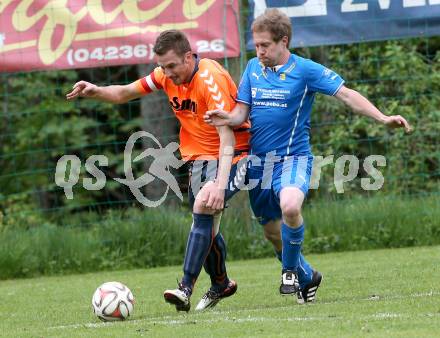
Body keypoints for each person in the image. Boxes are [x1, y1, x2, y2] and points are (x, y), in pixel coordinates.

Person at [204, 9, 412, 303]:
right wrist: (227, 116)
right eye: (257, 44)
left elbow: (347, 94)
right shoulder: (252, 68)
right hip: (259, 166)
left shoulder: (306, 70)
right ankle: (307, 276)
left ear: (283, 41)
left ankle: (288, 272)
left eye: (265, 45)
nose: (259, 50)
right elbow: (241, 113)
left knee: (290, 206)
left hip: (294, 160)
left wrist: (382, 117)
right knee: (272, 234)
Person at [66, 30, 251, 312]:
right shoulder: (165, 75)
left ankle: (185, 288)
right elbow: (126, 92)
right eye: (162, 66)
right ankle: (221, 283)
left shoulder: (209, 79)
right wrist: (96, 91)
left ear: (189, 57)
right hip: (200, 159)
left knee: (204, 208)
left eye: (172, 66)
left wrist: (219, 184)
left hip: (236, 153)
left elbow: (227, 138)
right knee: (207, 225)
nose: (166, 72)